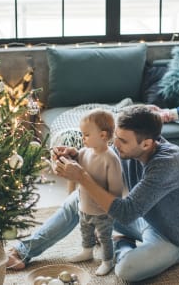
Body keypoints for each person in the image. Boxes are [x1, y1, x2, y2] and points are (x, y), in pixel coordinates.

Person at [7, 105, 179, 282]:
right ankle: (23, 251)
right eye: (115, 136)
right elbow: (104, 157)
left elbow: (127, 212)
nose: (115, 143)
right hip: (143, 219)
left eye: (122, 140)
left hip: (172, 237)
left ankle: (121, 242)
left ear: (147, 144)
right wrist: (75, 155)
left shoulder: (168, 162)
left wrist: (81, 177)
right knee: (78, 199)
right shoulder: (129, 148)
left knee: (126, 271)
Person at [65, 108, 123, 275]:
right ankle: (87, 251)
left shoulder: (111, 159)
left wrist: (110, 211)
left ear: (103, 136)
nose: (83, 138)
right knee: (85, 231)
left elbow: (116, 192)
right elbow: (72, 172)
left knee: (105, 238)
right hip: (84, 207)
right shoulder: (83, 152)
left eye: (86, 135)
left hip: (102, 212)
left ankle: (107, 260)